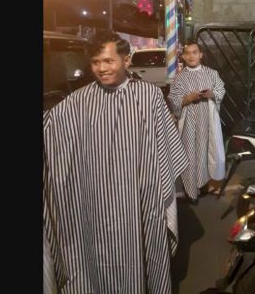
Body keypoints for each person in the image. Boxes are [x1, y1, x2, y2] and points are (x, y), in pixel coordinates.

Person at [43, 32, 189, 294]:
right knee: (93, 261)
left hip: (137, 203)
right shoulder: (78, 101)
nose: (101, 68)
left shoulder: (149, 98)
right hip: (94, 206)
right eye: (96, 62)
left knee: (139, 261)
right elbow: (50, 130)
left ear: (126, 60)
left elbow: (166, 149)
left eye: (108, 61)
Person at [168, 42, 226, 201]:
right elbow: (174, 99)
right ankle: (191, 190)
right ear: (184, 57)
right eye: (188, 53)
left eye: (195, 52)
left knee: (207, 153)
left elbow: (221, 89)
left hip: (207, 123)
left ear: (201, 54)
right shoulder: (179, 78)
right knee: (190, 154)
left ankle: (206, 184)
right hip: (189, 124)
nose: (191, 56)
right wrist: (188, 98)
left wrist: (211, 94)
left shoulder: (212, 73)